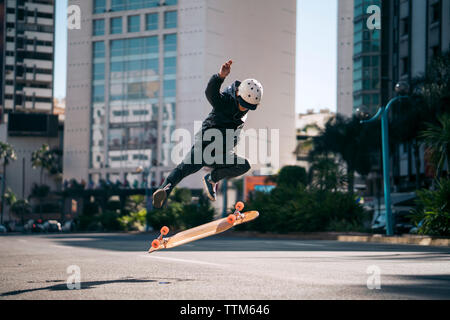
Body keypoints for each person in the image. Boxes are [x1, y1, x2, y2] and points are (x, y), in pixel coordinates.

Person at [152, 60, 263, 208]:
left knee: (244, 165)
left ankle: (211, 179)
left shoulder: (245, 106)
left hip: (222, 153)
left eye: (248, 107)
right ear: (238, 94)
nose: (244, 108)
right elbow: (211, 93)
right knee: (182, 169)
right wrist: (220, 77)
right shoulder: (225, 101)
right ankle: (163, 191)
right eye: (243, 104)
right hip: (204, 148)